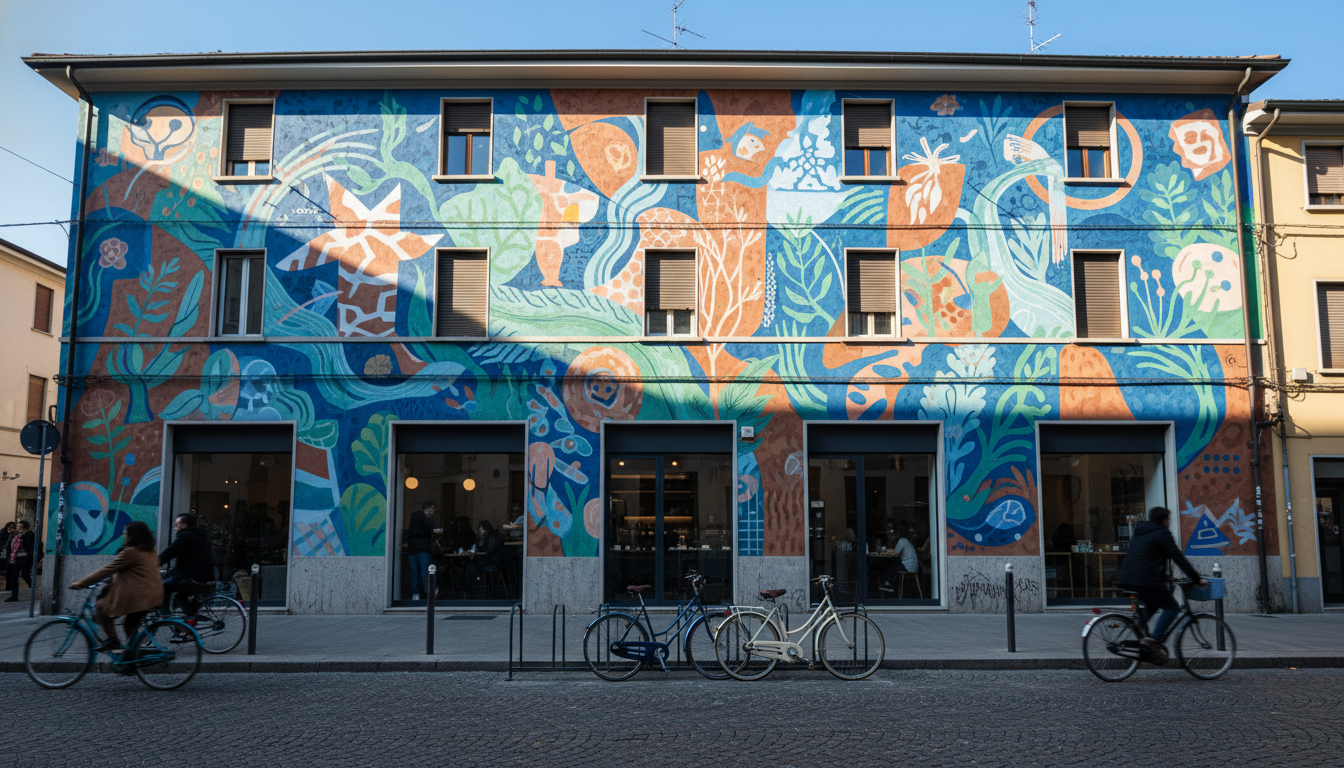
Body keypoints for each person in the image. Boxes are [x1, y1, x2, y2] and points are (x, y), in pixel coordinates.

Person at [1116, 506, 1208, 659]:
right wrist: (1196, 579)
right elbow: (1178, 558)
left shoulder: (1140, 531)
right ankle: (1154, 641)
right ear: (1165, 520)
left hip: (1127, 578)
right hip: (1147, 581)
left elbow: (1148, 557)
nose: (1169, 522)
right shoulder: (1162, 533)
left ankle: (1141, 632)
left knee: (1153, 605)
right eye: (1168, 519)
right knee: (1172, 607)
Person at [70, 521, 163, 656]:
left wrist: (80, 583)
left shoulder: (131, 552)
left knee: (102, 610)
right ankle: (132, 657)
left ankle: (113, 641)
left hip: (139, 595)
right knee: (129, 625)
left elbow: (107, 569)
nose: (124, 536)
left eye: (126, 533)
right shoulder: (150, 551)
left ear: (132, 535)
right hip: (153, 594)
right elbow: (134, 572)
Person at [159, 513, 214, 616]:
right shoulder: (201, 536)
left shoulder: (185, 536)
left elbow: (169, 553)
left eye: (176, 525)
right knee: (181, 596)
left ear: (184, 525)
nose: (175, 528)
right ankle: (191, 618)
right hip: (205, 576)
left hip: (190, 577)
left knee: (164, 587)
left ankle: (165, 616)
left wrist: (153, 564)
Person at [406, 501, 435, 600]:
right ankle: (427, 594)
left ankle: (416, 594)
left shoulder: (413, 519)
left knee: (415, 574)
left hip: (412, 550)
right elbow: (431, 534)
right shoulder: (428, 521)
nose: (433, 511)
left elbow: (409, 534)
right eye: (433, 509)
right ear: (428, 510)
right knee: (425, 573)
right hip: (424, 550)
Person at [6, 520, 35, 602]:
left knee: (23, 575)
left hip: (24, 558)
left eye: (19, 526)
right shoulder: (17, 535)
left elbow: (29, 547)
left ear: (24, 527)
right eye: (17, 526)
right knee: (14, 576)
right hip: (16, 558)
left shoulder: (29, 535)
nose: (18, 528)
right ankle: (14, 595)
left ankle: (32, 587)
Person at [0, 522, 15, 591]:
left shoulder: (14, 535)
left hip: (9, 556)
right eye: (9, 527)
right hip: (2, 554)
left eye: (12, 527)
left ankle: (8, 587)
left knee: (9, 572)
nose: (10, 529)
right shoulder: (2, 533)